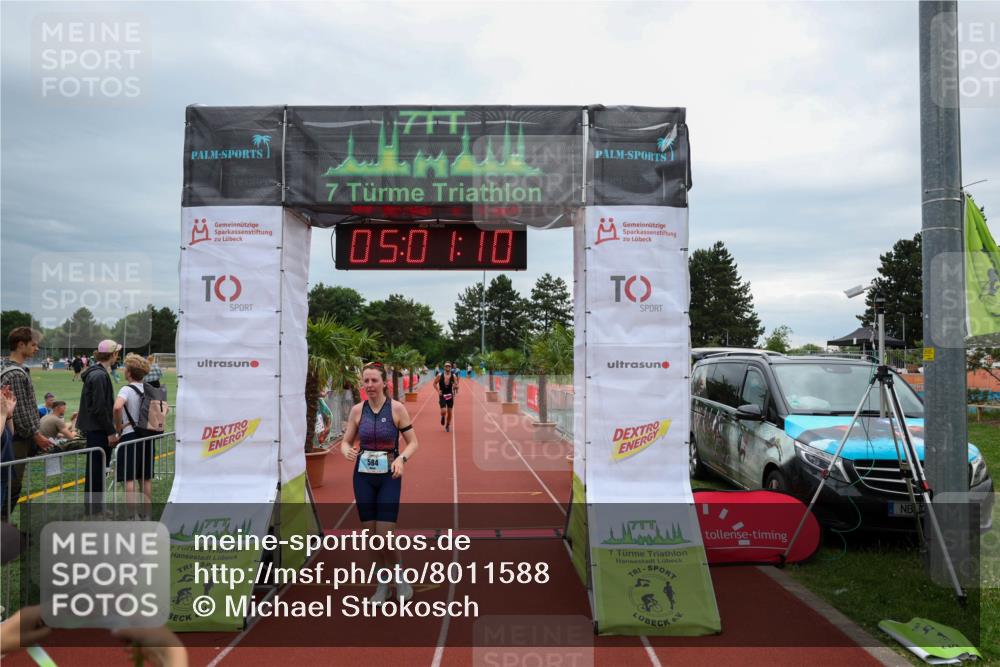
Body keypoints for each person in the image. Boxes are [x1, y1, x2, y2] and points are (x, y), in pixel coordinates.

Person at [340, 361, 419, 603]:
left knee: (385, 535)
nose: (370, 385)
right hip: (363, 478)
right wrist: (345, 450)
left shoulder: (396, 409)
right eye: (366, 381)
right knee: (371, 537)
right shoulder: (357, 411)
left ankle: (400, 577)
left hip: (389, 477)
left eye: (374, 380)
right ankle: (382, 584)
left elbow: (414, 442)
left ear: (384, 382)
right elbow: (345, 442)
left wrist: (401, 460)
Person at [0, 327, 53, 519]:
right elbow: (20, 412)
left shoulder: (12, 369)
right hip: (15, 439)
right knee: (11, 486)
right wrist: (36, 435)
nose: (37, 348)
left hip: (14, 437)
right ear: (20, 345)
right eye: (33, 344)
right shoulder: (14, 373)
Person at [78, 339, 121, 514]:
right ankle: (95, 510)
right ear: (112, 354)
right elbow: (99, 408)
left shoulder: (98, 373)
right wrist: (110, 431)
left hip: (97, 429)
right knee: (97, 471)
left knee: (98, 470)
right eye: (117, 352)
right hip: (98, 430)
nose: (117, 356)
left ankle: (95, 508)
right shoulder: (99, 375)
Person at [114, 353, 155, 518]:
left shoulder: (126, 389)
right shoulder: (149, 388)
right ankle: (147, 514)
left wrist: (119, 427)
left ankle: (132, 515)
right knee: (145, 479)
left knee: (129, 478)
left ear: (129, 372)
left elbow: (117, 407)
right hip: (147, 436)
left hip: (130, 436)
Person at [433, 361, 459, 432]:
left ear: (451, 367)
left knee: (450, 412)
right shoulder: (439, 375)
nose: (447, 367)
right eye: (446, 366)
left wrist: (455, 387)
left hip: (450, 395)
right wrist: (438, 391)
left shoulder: (453, 376)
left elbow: (457, 385)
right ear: (444, 367)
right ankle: (443, 416)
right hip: (442, 395)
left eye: (449, 366)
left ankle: (447, 425)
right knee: (444, 411)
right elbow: (434, 383)